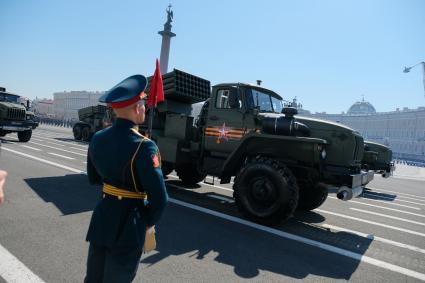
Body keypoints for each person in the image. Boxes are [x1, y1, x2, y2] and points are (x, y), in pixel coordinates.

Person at [84, 74, 168, 282]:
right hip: (130, 223)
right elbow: (160, 198)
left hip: (103, 217)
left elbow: (94, 178)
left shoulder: (97, 138)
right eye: (142, 104)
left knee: (93, 278)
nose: (144, 109)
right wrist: (146, 222)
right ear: (135, 108)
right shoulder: (144, 145)